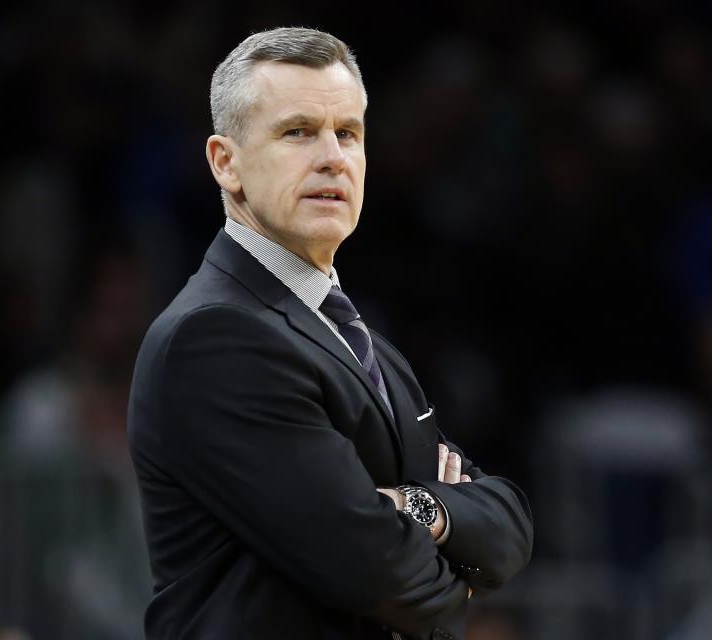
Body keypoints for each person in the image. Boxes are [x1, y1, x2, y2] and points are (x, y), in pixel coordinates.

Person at [127, 27, 533, 640]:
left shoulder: (362, 339)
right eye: (297, 132)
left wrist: (408, 508)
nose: (332, 157)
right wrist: (446, 549)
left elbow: (509, 531)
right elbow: (377, 573)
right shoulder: (215, 337)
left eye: (348, 133)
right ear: (225, 162)